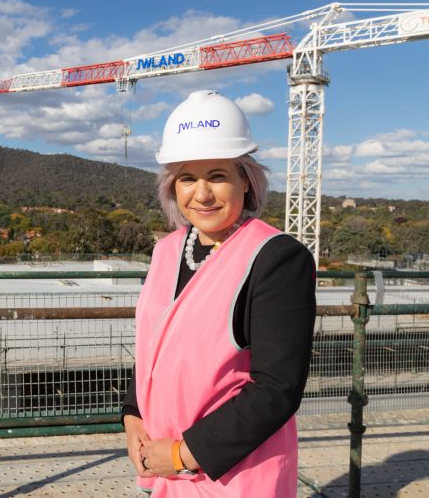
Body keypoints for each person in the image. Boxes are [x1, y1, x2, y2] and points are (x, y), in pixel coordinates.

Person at [121, 90, 316, 496]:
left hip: (236, 476)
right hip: (163, 470)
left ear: (246, 179)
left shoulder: (277, 259)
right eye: (188, 178)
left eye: (218, 175)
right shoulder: (166, 251)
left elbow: (276, 389)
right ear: (172, 187)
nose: (202, 194)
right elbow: (151, 347)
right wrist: (133, 417)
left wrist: (180, 454)